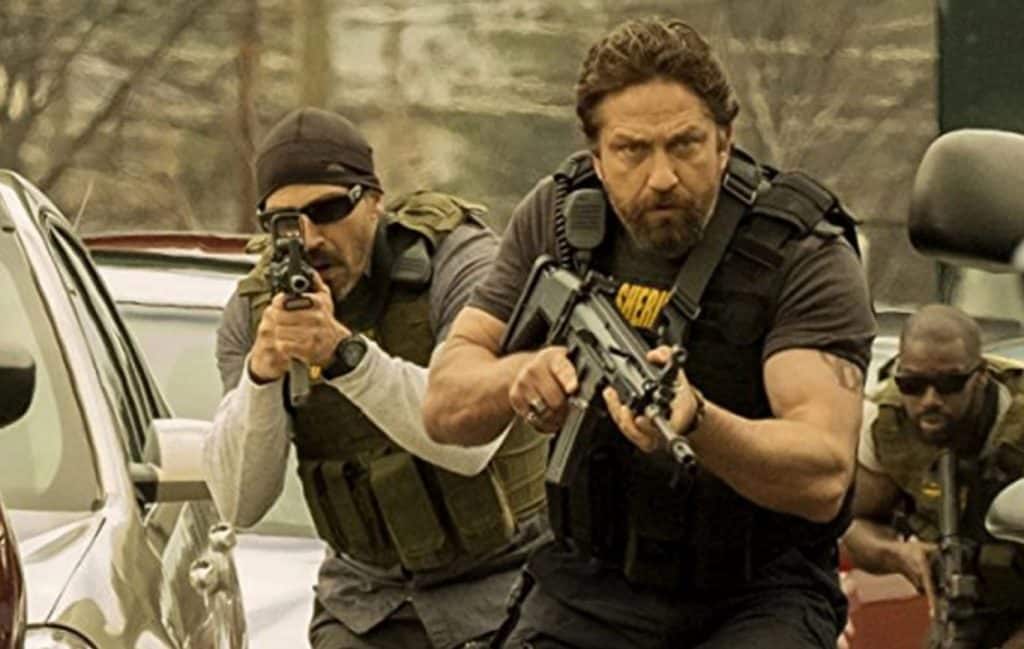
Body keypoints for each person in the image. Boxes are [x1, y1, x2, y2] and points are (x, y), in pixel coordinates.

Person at [423, 16, 876, 649]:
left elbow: (822, 475)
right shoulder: (559, 220)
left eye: (685, 145)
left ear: (725, 142)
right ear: (597, 158)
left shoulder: (799, 252)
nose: (662, 176)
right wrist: (520, 377)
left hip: (757, 592)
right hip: (592, 582)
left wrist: (699, 424)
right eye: (633, 150)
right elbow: (444, 405)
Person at [203, 106, 549, 649]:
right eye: (284, 222)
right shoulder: (253, 313)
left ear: (374, 201)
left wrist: (343, 356)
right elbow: (240, 503)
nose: (309, 239)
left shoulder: (461, 265)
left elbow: (469, 446)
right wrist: (262, 375)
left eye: (328, 210)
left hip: (503, 587)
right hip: (366, 601)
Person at [843, 304, 1024, 648]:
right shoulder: (886, 426)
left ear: (980, 375)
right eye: (912, 384)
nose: (930, 400)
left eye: (949, 384)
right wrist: (896, 554)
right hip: (967, 610)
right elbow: (854, 524)